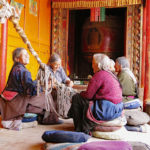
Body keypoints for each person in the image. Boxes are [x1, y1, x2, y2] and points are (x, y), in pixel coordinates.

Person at [0, 48, 60, 125]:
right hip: (17, 101)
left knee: (42, 96)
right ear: (17, 59)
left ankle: (43, 117)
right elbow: (30, 90)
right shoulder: (23, 71)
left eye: (27, 54)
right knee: (46, 96)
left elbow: (27, 85)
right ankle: (50, 120)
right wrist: (46, 86)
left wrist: (40, 84)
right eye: (25, 55)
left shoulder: (15, 68)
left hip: (12, 100)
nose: (28, 56)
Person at [68, 53, 123, 134]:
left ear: (98, 64)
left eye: (93, 63)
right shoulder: (111, 74)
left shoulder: (99, 74)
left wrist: (80, 93)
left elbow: (88, 95)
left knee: (76, 98)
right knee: (82, 98)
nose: (92, 65)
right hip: (118, 109)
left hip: (106, 110)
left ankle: (80, 129)